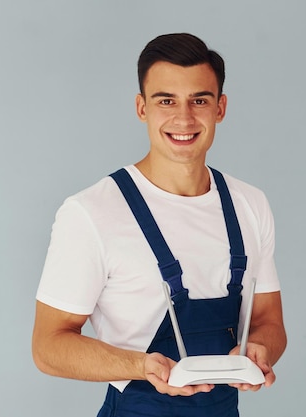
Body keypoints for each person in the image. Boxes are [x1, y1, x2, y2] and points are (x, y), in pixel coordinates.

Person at [32, 33, 287, 417]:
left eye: (199, 100)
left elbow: (270, 321)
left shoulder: (249, 204)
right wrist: (141, 366)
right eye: (165, 100)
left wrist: (259, 349)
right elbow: (48, 348)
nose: (183, 118)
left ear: (220, 108)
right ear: (141, 108)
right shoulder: (91, 212)